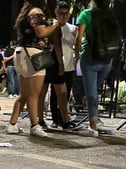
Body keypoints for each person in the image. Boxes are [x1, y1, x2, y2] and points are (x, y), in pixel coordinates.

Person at [7, 0, 59, 137]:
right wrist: (55, 24)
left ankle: (12, 124)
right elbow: (41, 32)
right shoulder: (37, 13)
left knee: (24, 94)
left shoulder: (27, 13)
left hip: (22, 54)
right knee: (34, 94)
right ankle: (35, 125)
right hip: (33, 54)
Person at [75, 0, 119, 136]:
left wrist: (77, 53)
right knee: (95, 91)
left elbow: (79, 38)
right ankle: (95, 120)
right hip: (107, 58)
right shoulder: (109, 15)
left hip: (90, 58)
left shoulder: (85, 14)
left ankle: (93, 126)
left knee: (91, 93)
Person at [38, 1, 78, 130]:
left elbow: (72, 45)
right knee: (51, 91)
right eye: (60, 14)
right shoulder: (51, 24)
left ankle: (57, 120)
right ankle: (44, 119)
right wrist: (60, 64)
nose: (63, 16)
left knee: (61, 93)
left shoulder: (70, 28)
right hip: (51, 60)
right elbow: (56, 45)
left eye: (66, 14)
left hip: (63, 62)